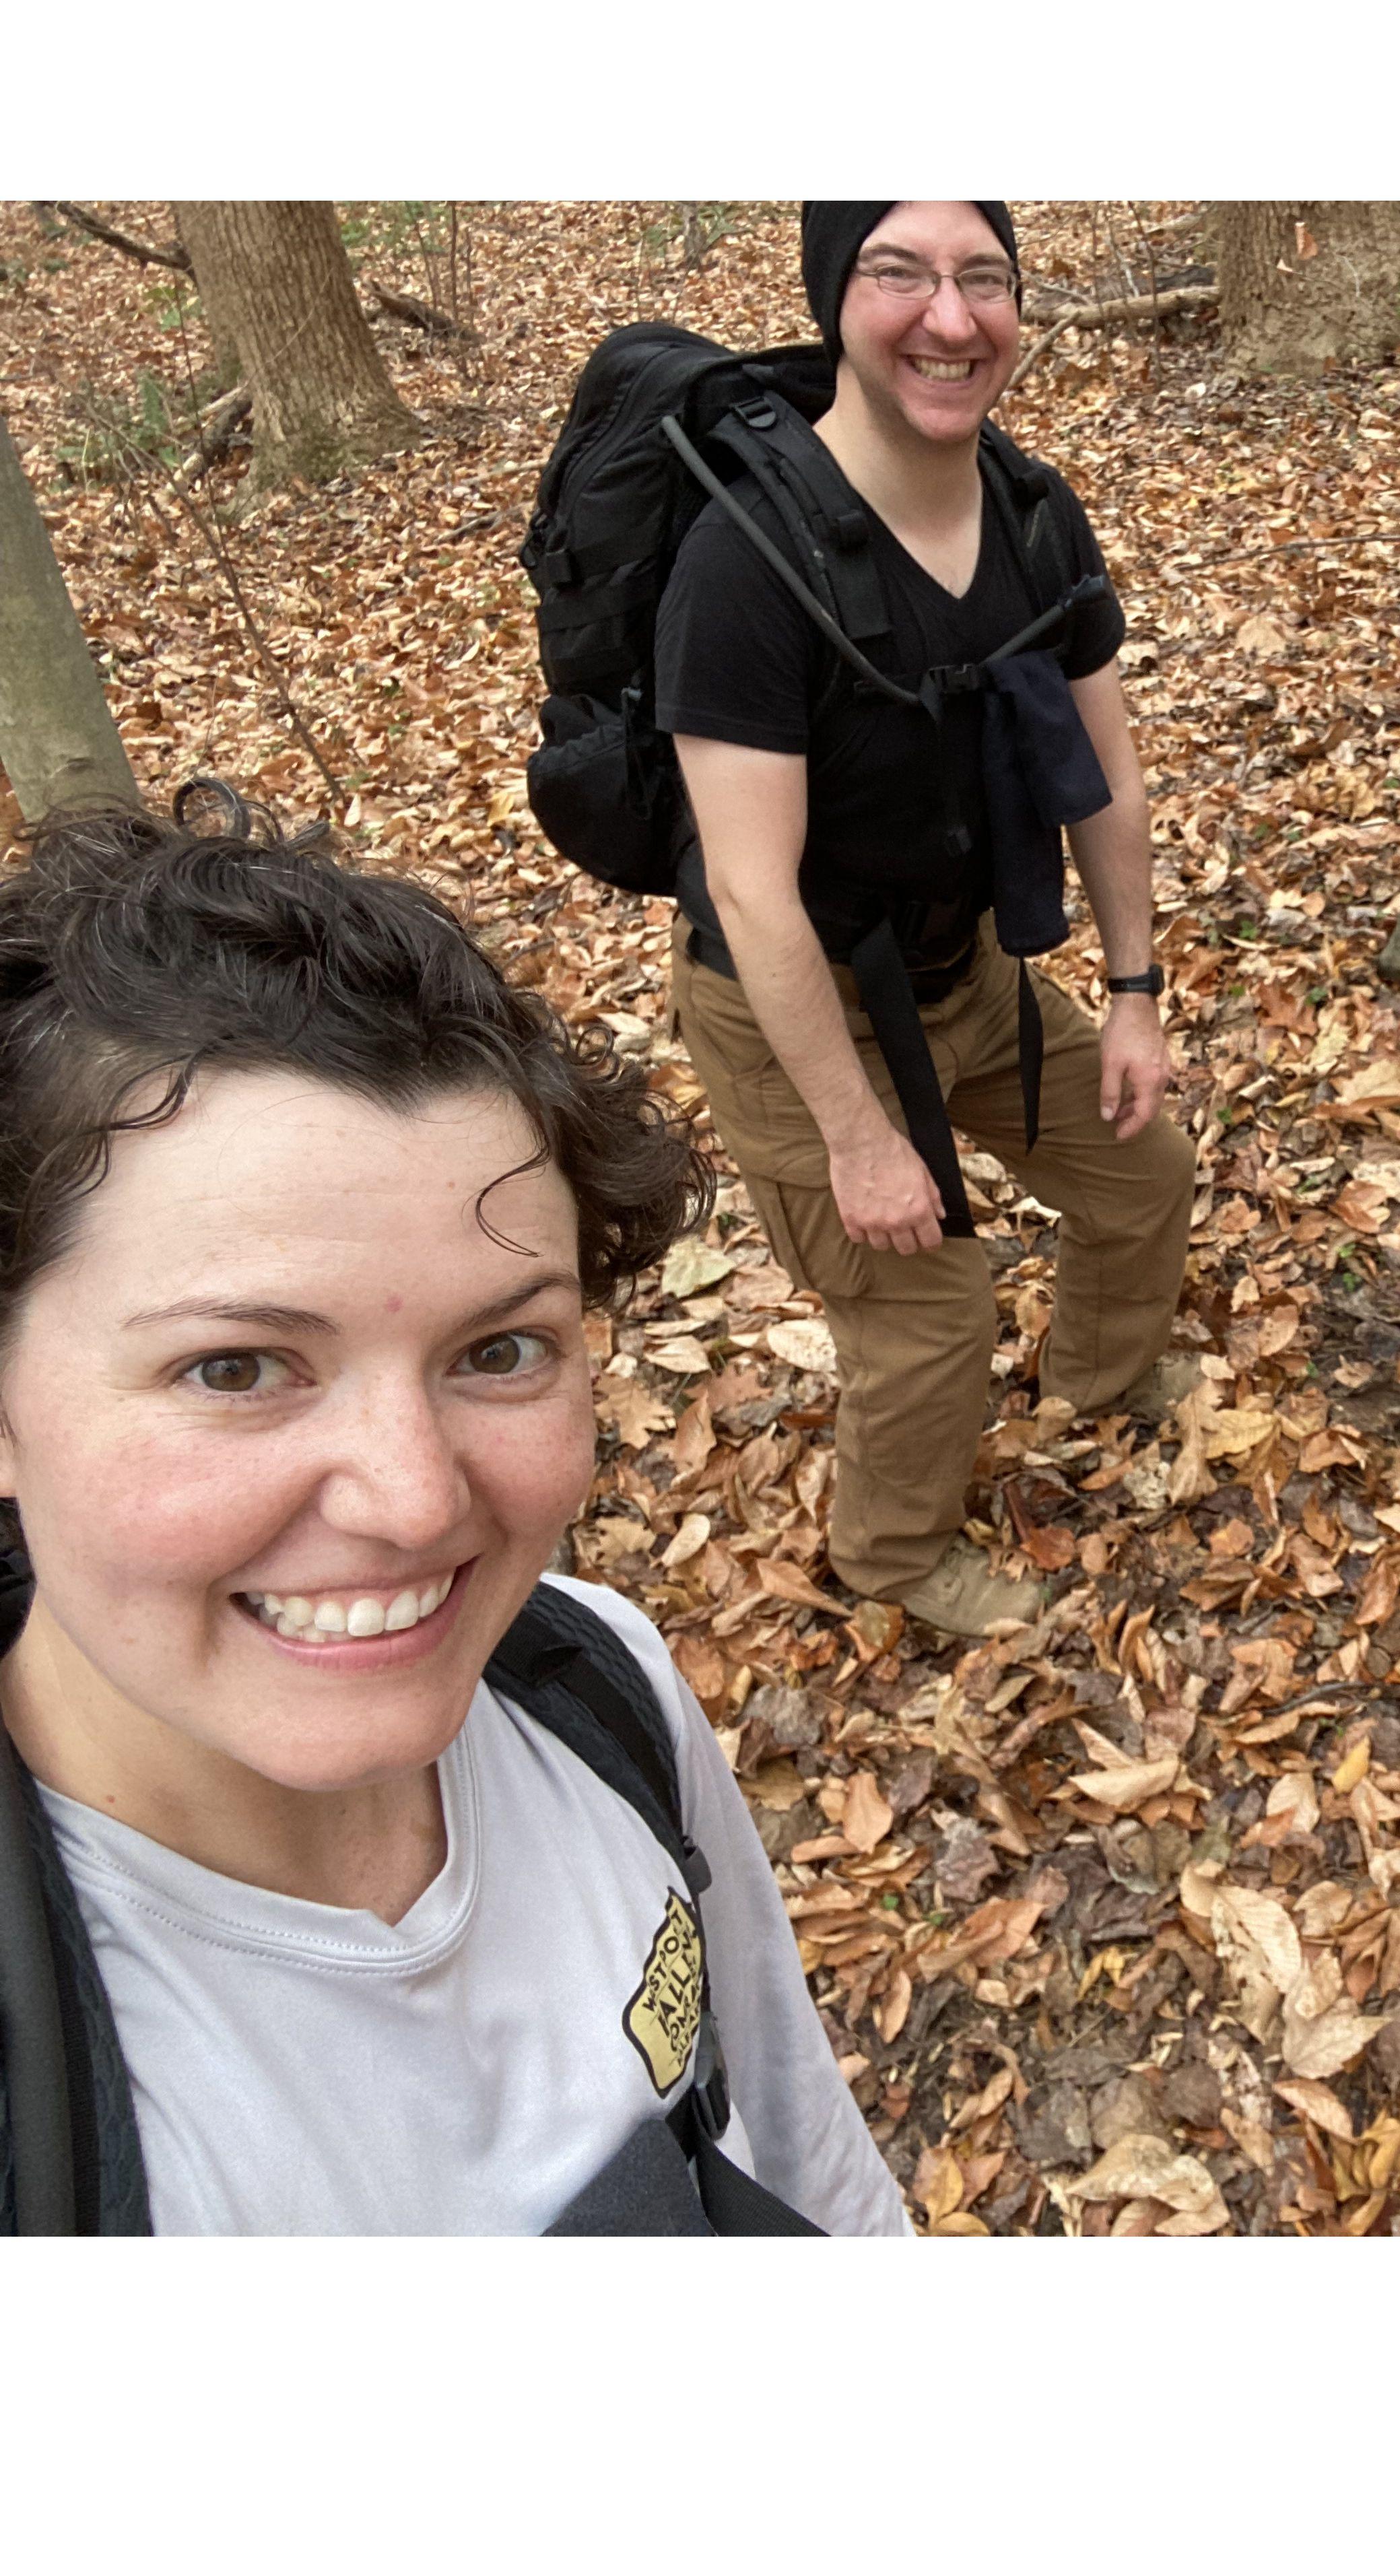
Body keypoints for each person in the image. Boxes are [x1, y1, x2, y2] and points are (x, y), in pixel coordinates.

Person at [0, 809, 907, 2233]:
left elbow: (798, 2153)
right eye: (235, 1369)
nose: (418, 1498)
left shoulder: (590, 1685)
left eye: (501, 1350)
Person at [659, 201, 1195, 1640]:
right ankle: (894, 1554)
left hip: (965, 970)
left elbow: (1110, 772)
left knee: (1144, 1176)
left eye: (984, 278)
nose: (949, 318)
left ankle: (1101, 1376)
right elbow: (747, 888)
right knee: (931, 1312)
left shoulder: (1032, 512)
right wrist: (854, 1135)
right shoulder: (744, 568)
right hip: (800, 1015)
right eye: (898, 273)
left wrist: (1134, 990)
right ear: (837, 299)